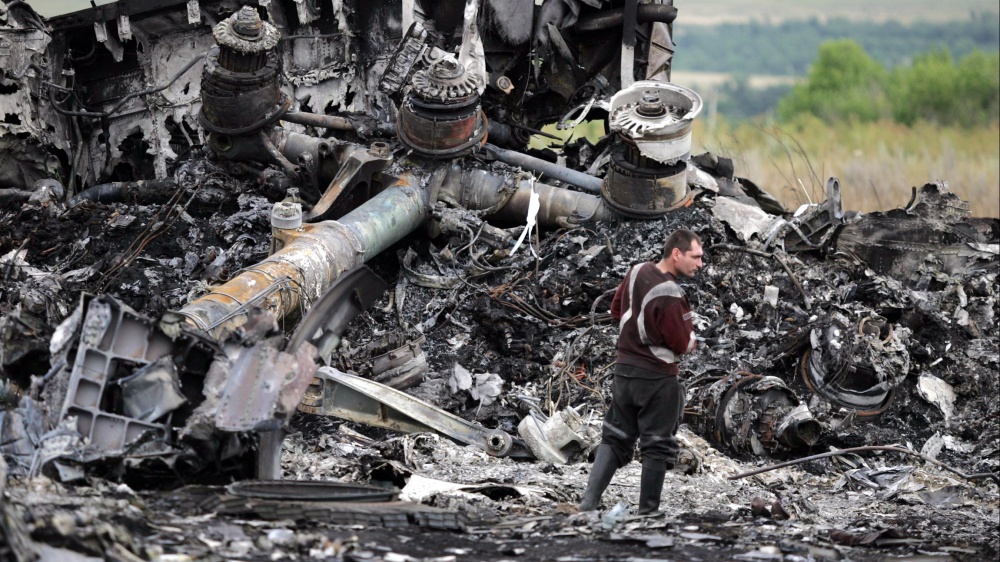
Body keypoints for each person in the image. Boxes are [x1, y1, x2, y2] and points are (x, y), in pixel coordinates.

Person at [579, 228, 703, 514]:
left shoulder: (636, 271)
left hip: (623, 372)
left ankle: (588, 501)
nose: (699, 264)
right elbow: (684, 344)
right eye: (695, 257)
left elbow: (615, 311)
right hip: (658, 378)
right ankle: (648, 511)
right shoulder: (672, 294)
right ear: (676, 254)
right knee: (657, 444)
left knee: (614, 435)